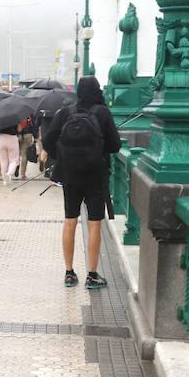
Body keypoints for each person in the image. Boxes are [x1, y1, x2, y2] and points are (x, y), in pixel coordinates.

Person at [42, 76, 121, 290]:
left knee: (70, 221)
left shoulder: (66, 111)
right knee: (94, 223)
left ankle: (69, 273)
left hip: (70, 175)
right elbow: (115, 146)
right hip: (95, 176)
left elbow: (48, 140)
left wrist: (64, 155)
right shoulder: (102, 112)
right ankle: (92, 275)